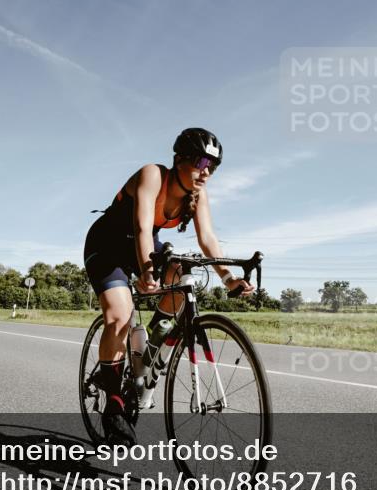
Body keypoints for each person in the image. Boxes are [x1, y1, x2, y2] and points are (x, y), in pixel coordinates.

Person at [83, 128, 254, 444]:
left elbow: (208, 239)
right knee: (120, 315)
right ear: (179, 159)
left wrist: (228, 277)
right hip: (107, 245)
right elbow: (142, 227)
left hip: (147, 245)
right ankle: (114, 406)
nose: (206, 171)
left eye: (213, 166)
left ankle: (148, 350)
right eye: (201, 162)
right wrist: (147, 272)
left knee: (180, 275)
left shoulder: (198, 195)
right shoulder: (153, 175)